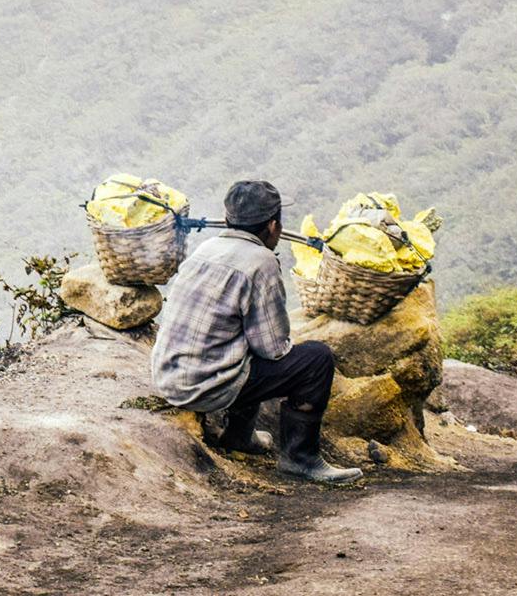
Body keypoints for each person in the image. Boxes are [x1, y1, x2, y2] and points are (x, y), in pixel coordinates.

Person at [150, 180, 363, 484]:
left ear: (228, 220)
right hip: (202, 386)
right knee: (316, 360)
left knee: (241, 339)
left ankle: (239, 437)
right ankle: (300, 458)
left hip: (168, 376)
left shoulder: (207, 247)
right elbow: (273, 349)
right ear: (273, 226)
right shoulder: (261, 261)